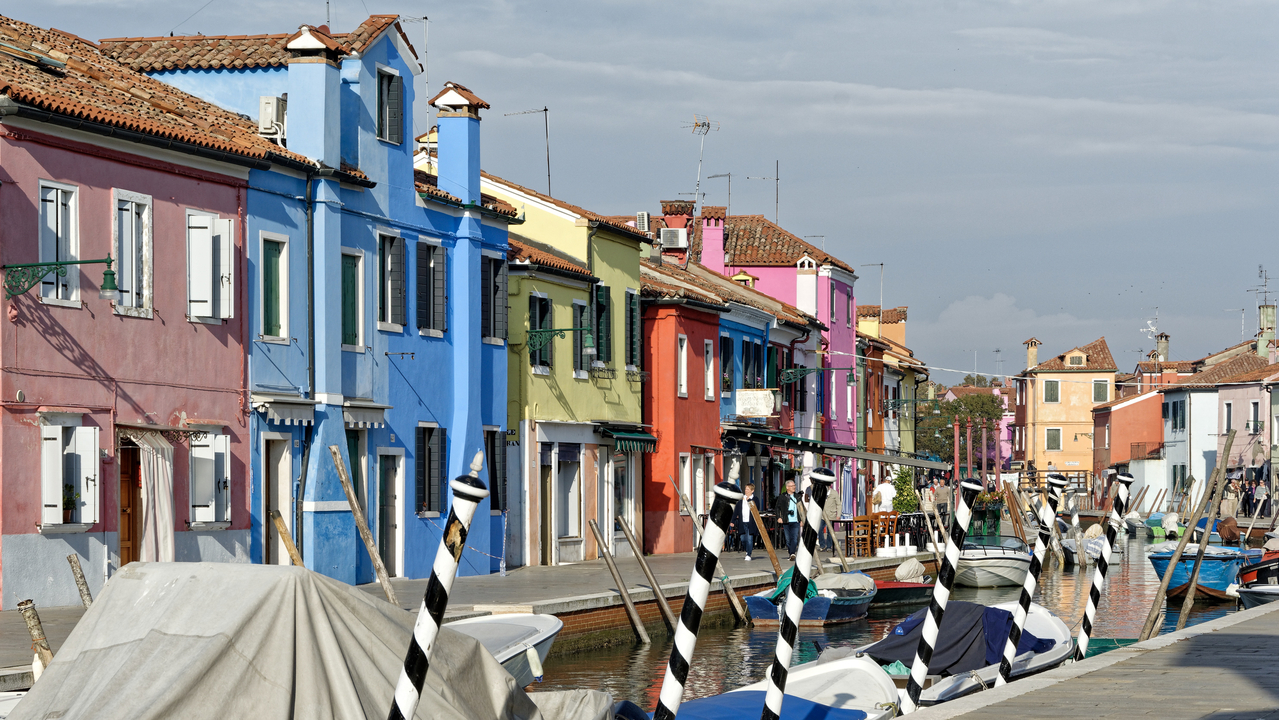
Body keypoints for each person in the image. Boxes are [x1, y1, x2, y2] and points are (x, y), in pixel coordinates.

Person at [773, 479, 801, 560]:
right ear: (787, 487)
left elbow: (801, 508)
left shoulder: (798, 496)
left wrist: (802, 519)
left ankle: (792, 553)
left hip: (795, 521)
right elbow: (777, 508)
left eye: (794, 485)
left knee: (794, 538)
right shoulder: (782, 497)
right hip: (786, 520)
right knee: (788, 539)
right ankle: (790, 553)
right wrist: (779, 517)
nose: (794, 487)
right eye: (792, 486)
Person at [733, 483, 759, 561]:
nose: (746, 491)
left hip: (750, 523)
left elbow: (756, 508)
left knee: (749, 539)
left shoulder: (755, 499)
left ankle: (748, 554)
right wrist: (732, 520)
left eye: (748, 489)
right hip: (742, 522)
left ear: (752, 491)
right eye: (745, 489)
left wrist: (749, 500)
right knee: (743, 539)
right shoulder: (741, 500)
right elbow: (736, 510)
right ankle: (747, 549)